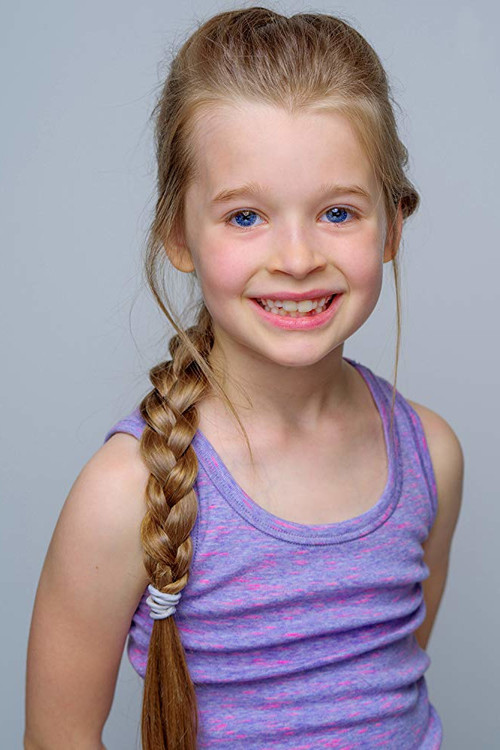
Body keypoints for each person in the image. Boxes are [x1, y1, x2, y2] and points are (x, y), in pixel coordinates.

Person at [24, 7, 464, 749]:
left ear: (392, 225)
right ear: (178, 234)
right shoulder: (124, 492)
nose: (297, 259)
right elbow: (55, 736)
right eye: (245, 217)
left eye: (337, 212)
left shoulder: (432, 456)